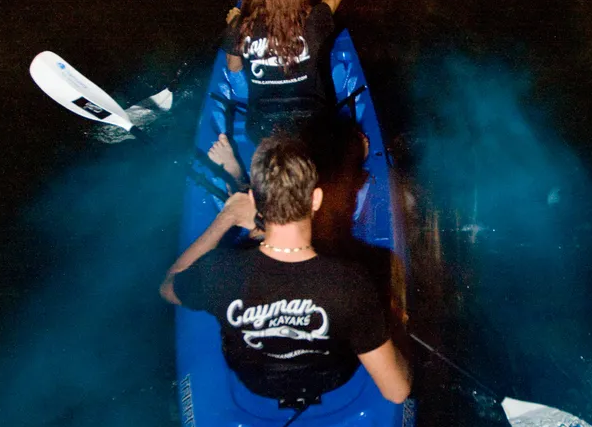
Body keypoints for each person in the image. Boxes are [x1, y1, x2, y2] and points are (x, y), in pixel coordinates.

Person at [161, 135, 411, 405]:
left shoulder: (220, 269)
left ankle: (240, 188)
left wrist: (226, 217)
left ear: (254, 202)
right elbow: (397, 392)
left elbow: (168, 287)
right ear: (316, 199)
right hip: (334, 379)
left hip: (255, 383)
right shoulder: (351, 282)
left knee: (256, 242)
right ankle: (257, 209)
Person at [220, 0, 344, 145]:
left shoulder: (239, 26)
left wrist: (233, 24)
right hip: (313, 124)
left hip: (262, 129)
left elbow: (234, 67)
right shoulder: (313, 21)